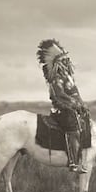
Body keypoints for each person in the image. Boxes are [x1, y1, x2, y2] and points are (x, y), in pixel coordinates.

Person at [37, 39, 88, 173]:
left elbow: (75, 93)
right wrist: (74, 105)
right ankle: (73, 162)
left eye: (67, 59)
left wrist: (82, 104)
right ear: (58, 63)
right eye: (64, 60)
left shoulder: (68, 77)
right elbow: (59, 97)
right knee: (74, 131)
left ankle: (84, 158)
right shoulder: (56, 79)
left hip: (73, 108)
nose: (67, 61)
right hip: (63, 110)